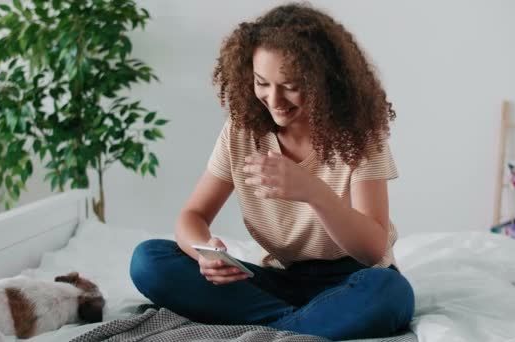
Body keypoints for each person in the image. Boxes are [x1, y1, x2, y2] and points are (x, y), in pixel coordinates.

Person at [130, 3, 414, 340]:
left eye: (291, 85)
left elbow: (371, 249)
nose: (274, 99)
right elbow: (192, 215)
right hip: (280, 281)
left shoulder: (358, 134)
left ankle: (274, 327)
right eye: (262, 82)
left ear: (325, 81)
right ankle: (294, 326)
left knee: (390, 292)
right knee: (148, 260)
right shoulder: (242, 131)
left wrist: (312, 191)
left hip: (355, 279)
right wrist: (203, 250)